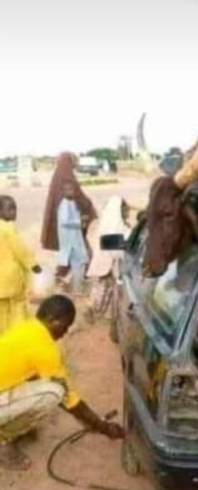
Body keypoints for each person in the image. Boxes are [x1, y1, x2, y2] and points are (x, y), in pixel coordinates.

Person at [0, 295, 124, 470]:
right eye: (65, 326)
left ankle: (9, 426)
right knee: (54, 392)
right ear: (52, 320)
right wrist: (102, 426)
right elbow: (69, 399)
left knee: (40, 385)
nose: (65, 332)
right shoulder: (44, 348)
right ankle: (3, 441)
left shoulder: (27, 327)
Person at [84, 195, 131, 323]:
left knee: (104, 289)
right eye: (126, 210)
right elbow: (119, 248)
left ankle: (96, 311)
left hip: (103, 263)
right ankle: (92, 310)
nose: (128, 212)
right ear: (119, 211)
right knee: (102, 289)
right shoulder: (118, 228)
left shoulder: (103, 224)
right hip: (108, 265)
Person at [40, 151, 97, 257]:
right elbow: (79, 196)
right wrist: (89, 208)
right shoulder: (68, 176)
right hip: (70, 217)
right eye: (74, 161)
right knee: (77, 243)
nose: (75, 164)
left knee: (65, 243)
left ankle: (64, 266)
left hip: (58, 217)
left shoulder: (57, 175)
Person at [0, 195, 42, 335]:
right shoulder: (8, 228)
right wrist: (33, 264)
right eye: (10, 209)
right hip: (11, 280)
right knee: (18, 309)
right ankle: (18, 335)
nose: (14, 213)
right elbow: (20, 249)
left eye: (15, 209)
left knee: (2, 314)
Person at [57, 182, 90, 295]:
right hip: (70, 240)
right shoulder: (65, 204)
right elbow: (65, 222)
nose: (70, 191)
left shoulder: (71, 203)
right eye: (68, 189)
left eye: (72, 189)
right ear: (63, 192)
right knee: (79, 263)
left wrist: (81, 220)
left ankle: (69, 283)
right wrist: (80, 222)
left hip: (75, 238)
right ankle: (76, 290)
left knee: (81, 262)